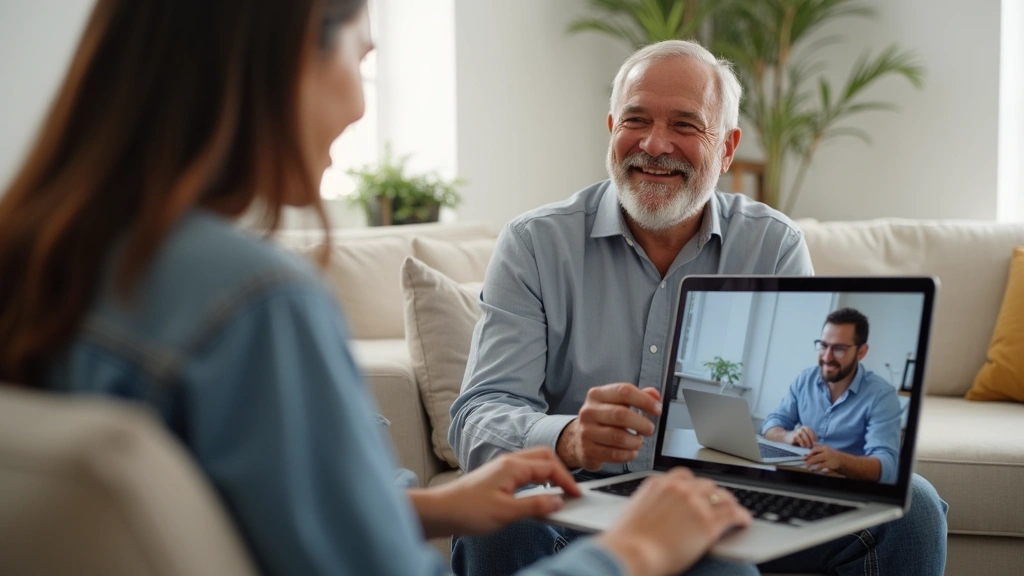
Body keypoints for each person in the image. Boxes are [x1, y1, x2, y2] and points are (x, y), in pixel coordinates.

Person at [0, 1, 755, 575]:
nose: (362, 105)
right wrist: (634, 550)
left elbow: (245, 510)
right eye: (360, 61)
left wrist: (432, 504)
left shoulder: (44, 261)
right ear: (284, 60)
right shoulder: (254, 305)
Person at [449, 39, 948, 575]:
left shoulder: (773, 244)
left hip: (725, 501)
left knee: (913, 510)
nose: (655, 144)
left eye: (685, 125)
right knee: (503, 519)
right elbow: (479, 415)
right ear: (612, 128)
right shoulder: (534, 243)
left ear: (728, 148)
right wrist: (567, 438)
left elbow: (783, 423)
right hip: (578, 500)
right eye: (636, 119)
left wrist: (794, 452)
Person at [761, 308, 901, 482]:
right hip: (800, 479)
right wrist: (788, 436)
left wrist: (839, 460)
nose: (827, 357)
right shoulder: (805, 379)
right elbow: (771, 424)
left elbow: (886, 468)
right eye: (824, 346)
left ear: (861, 352)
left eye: (839, 348)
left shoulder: (882, 396)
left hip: (846, 488)